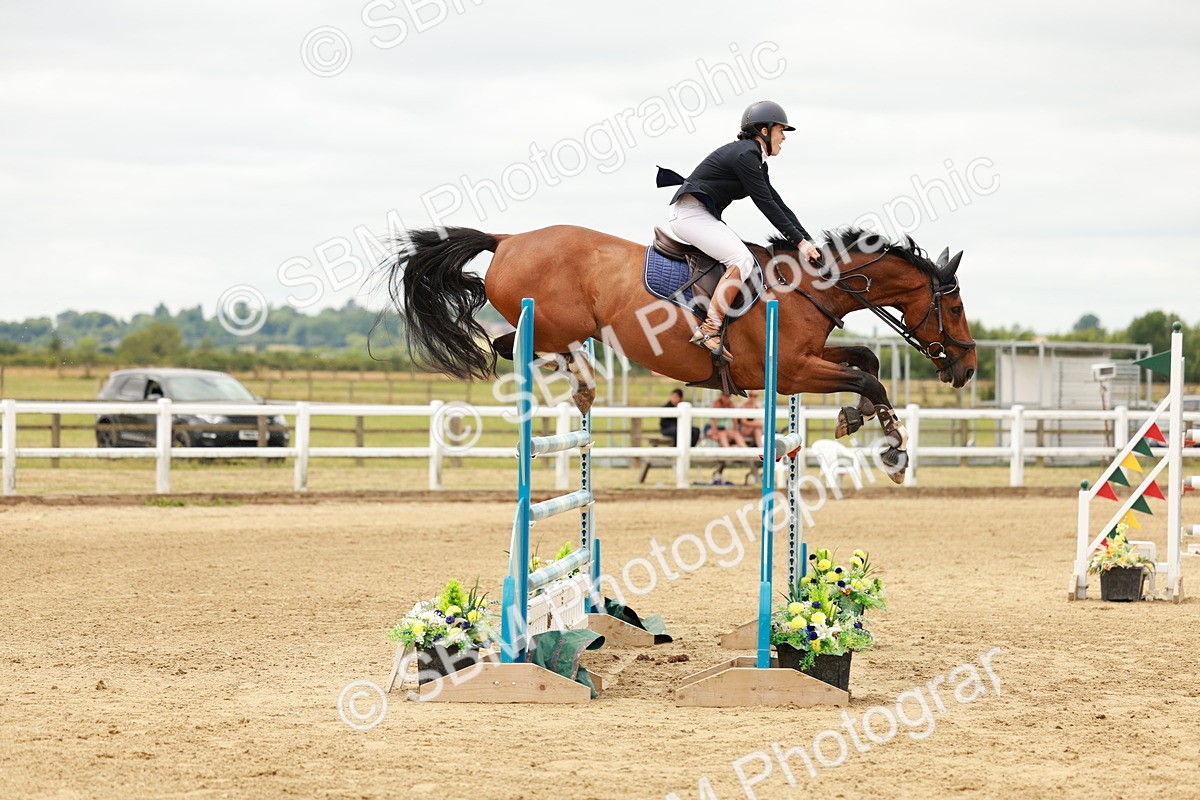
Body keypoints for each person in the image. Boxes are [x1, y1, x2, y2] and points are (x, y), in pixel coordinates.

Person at [657, 100, 821, 363]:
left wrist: (807, 240)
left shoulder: (755, 159)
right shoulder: (746, 155)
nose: (783, 138)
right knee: (741, 260)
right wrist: (799, 243)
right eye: (781, 131)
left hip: (697, 214)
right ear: (764, 131)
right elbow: (765, 205)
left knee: (741, 257)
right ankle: (709, 328)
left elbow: (778, 202)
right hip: (690, 215)